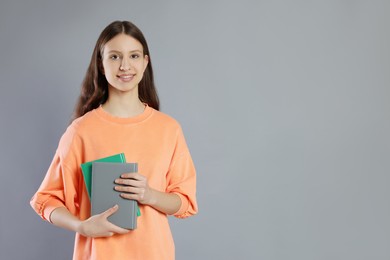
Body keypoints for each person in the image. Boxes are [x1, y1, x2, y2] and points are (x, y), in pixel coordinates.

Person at [30, 20, 198, 260]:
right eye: (115, 57)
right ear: (101, 64)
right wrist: (82, 226)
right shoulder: (81, 131)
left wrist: (149, 194)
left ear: (145, 63)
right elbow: (45, 199)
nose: (125, 66)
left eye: (134, 56)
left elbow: (184, 203)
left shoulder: (168, 129)